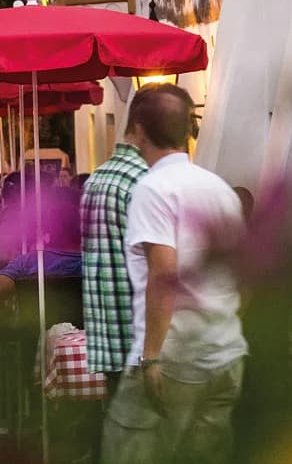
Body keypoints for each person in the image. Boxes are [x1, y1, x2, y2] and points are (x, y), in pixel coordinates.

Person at [102, 84, 247, 464]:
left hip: (174, 356)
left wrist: (151, 358)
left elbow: (163, 272)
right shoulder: (220, 190)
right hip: (224, 354)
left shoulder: (154, 189)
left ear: (138, 132)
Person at [80, 128, 151, 406]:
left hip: (108, 325)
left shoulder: (97, 177)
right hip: (139, 325)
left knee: (118, 413)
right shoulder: (141, 179)